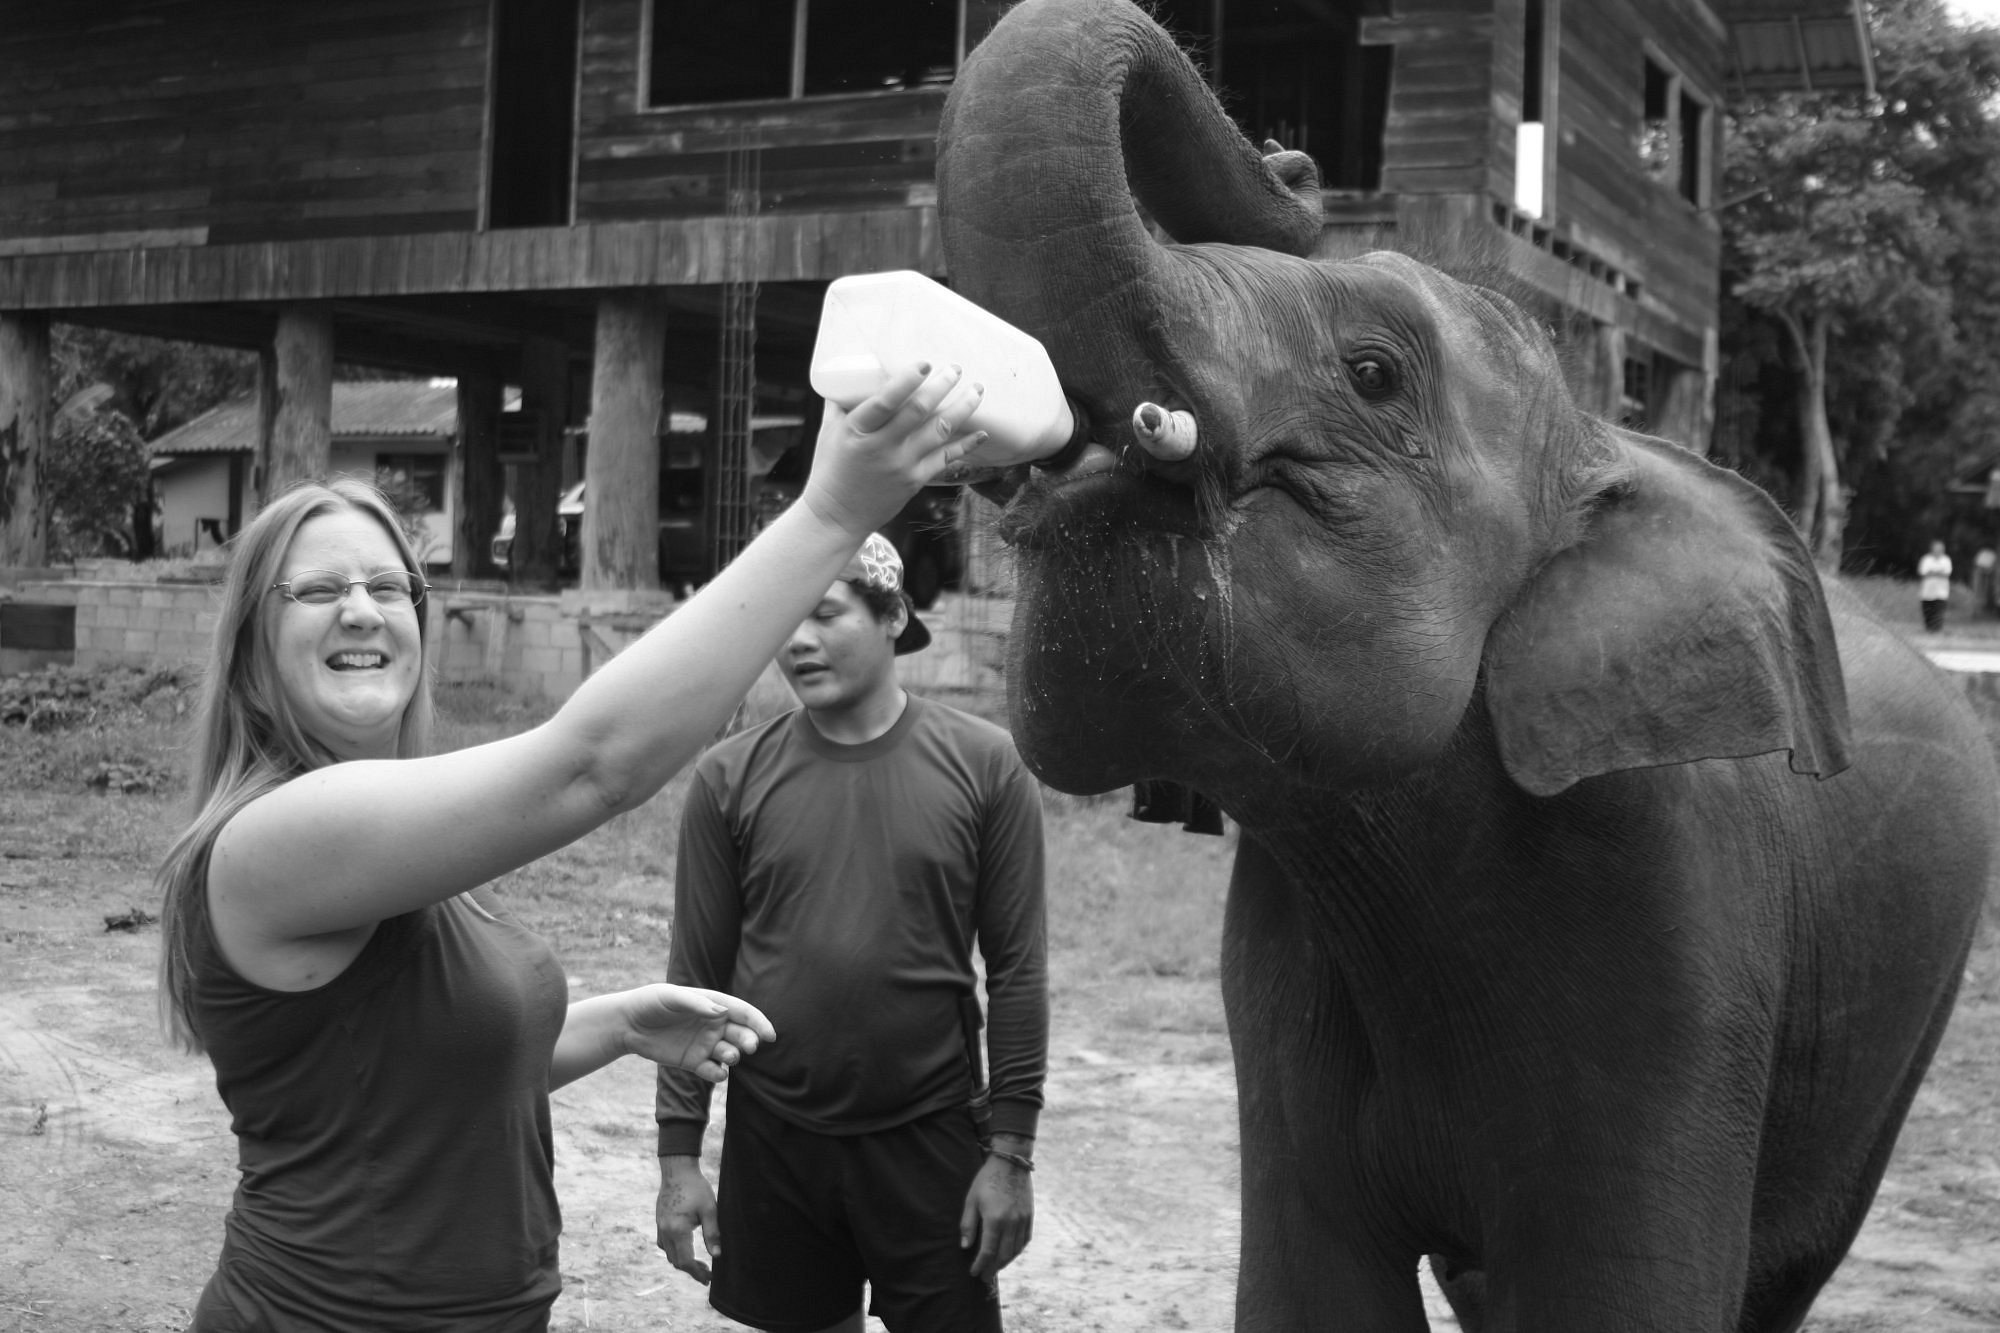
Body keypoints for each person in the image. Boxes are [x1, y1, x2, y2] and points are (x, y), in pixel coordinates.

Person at [154, 361, 989, 1331]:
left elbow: (421, 1069)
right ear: (254, 643)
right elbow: (591, 765)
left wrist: (619, 1024)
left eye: (390, 584)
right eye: (319, 589)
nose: (362, 608)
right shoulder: (277, 836)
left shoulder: (391, 838)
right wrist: (832, 514)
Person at [655, 532, 1049, 1333]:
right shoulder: (729, 779)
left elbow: (1017, 971)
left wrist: (1009, 1156)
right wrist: (678, 1156)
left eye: (824, 614)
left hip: (931, 1131)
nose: (796, 641)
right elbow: (693, 977)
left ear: (894, 615)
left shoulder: (986, 767)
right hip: (777, 1137)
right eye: (782, 621)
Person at [1919, 539, 1953, 633]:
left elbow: (1946, 573)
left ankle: (1937, 630)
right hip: (1927, 591)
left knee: (1939, 612)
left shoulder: (1946, 560)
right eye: (1936, 549)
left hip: (1941, 592)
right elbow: (1923, 572)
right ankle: (1929, 630)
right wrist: (1938, 572)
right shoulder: (1926, 559)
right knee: (1928, 612)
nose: (1937, 551)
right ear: (1932, 549)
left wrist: (1932, 572)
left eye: (1940, 549)